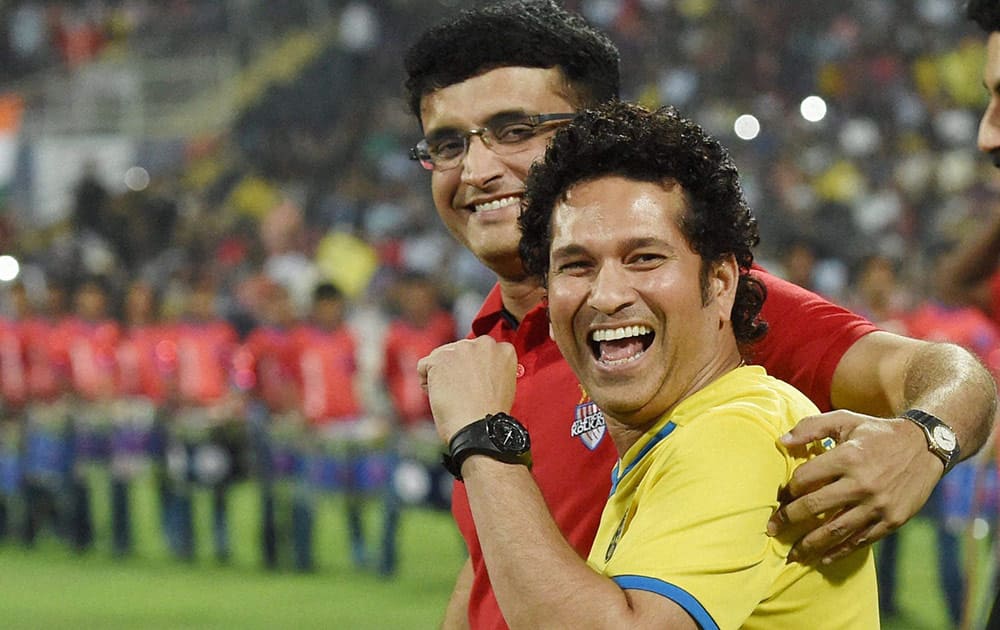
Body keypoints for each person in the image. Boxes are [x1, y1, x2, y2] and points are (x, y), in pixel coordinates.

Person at [403, 2, 997, 627]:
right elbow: (486, 569)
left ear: (596, 132)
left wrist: (923, 438)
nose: (476, 169)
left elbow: (949, 372)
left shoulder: (706, 306)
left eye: (514, 129)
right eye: (447, 144)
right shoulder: (483, 352)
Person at [420, 101, 879, 628]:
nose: (607, 295)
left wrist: (484, 438)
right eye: (576, 265)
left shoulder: (737, 429)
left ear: (721, 283)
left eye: (645, 258)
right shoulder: (667, 444)